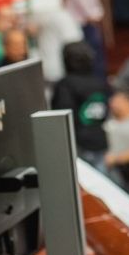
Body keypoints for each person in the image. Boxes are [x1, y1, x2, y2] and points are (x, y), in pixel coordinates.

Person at [52, 41, 110, 173]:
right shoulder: (99, 82)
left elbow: (61, 116)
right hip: (99, 141)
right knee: (100, 182)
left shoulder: (66, 84)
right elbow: (105, 112)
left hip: (77, 145)